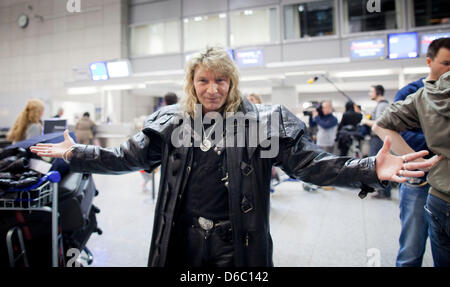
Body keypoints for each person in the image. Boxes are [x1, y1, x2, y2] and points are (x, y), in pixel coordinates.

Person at [30, 46, 435, 267]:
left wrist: (369, 167)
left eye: (221, 79)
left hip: (236, 241)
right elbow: (124, 156)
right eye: (203, 80)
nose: (212, 88)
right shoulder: (170, 122)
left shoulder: (263, 122)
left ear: (232, 82)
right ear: (192, 83)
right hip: (182, 239)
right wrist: (75, 152)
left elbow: (309, 164)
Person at [373, 38, 450, 267]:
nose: (449, 69)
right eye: (445, 63)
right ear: (429, 62)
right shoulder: (414, 92)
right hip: (418, 179)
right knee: (412, 245)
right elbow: (389, 128)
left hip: (441, 183)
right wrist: (421, 161)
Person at [362, 84, 392, 199]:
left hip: (378, 139)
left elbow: (378, 124)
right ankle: (383, 191)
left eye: (371, 91)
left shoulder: (382, 105)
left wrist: (365, 121)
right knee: (379, 165)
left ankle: (384, 192)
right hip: (378, 139)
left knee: (379, 165)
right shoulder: (381, 105)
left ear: (378, 92)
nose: (370, 94)